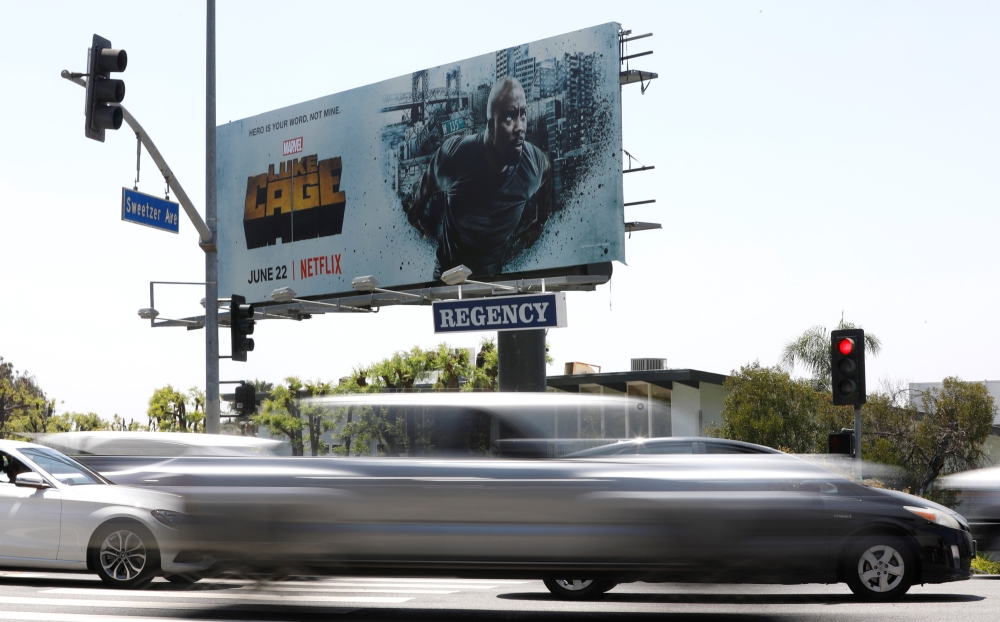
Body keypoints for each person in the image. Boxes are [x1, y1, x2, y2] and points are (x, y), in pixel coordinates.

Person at [403, 76, 553, 278]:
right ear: (490, 126)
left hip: (493, 283)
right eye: (509, 117)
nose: (520, 128)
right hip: (447, 281)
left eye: (523, 114)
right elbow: (428, 181)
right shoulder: (457, 155)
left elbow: (547, 174)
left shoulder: (532, 164)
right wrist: (415, 213)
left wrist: (541, 220)